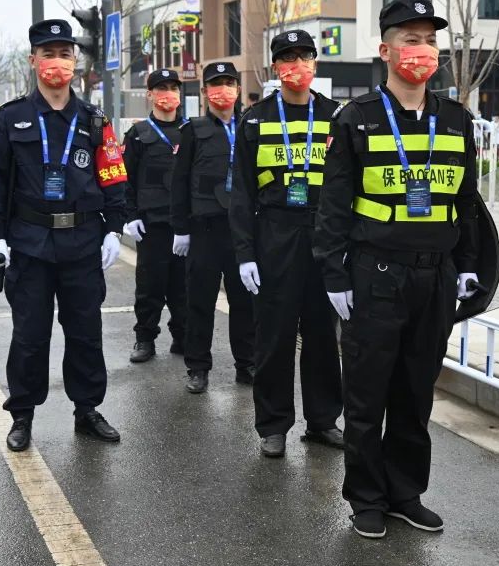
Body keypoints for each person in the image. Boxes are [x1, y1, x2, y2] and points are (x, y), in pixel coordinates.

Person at [314, 0, 480, 538]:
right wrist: (335, 274)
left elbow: (468, 203)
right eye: (411, 40)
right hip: (375, 275)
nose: (423, 50)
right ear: (385, 49)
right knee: (367, 391)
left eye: (430, 40)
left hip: (433, 276)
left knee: (415, 391)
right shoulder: (355, 118)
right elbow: (333, 203)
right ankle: (366, 497)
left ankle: (404, 491)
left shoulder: (456, 120)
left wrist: (469, 266)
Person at [0, 18, 127, 452]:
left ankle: (87, 410)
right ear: (33, 61)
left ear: (75, 61)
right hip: (29, 244)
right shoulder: (12, 119)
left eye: (64, 54)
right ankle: (22, 413)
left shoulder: (94, 120)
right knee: (29, 335)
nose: (57, 63)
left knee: (84, 332)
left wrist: (114, 228)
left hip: (81, 244)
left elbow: (113, 176)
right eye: (48, 54)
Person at [229, 29, 343, 458]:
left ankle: (323, 420)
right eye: (288, 58)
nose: (298, 66)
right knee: (273, 337)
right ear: (276, 67)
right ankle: (273, 425)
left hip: (324, 234)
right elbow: (240, 193)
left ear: (316, 64)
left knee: (321, 335)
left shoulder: (337, 115)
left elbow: (347, 188)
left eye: (305, 57)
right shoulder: (255, 119)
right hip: (274, 234)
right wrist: (245, 254)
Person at [171, 62, 255, 394]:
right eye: (216, 84)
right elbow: (179, 182)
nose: (223, 90)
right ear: (205, 92)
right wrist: (181, 228)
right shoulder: (193, 130)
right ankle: (198, 367)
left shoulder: (251, 126)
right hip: (204, 229)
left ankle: (246, 363)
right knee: (200, 301)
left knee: (244, 301)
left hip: (242, 231)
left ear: (237, 88)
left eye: (229, 83)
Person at [122, 69, 187, 363]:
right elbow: (126, 179)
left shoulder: (191, 131)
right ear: (150, 95)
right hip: (152, 225)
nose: (168, 94)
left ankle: (183, 337)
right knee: (150, 285)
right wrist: (130, 215)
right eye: (161, 89)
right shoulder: (138, 134)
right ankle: (144, 338)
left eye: (173, 88)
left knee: (183, 286)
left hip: (185, 224)